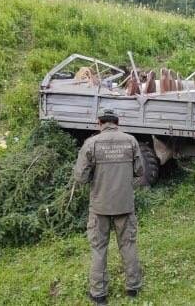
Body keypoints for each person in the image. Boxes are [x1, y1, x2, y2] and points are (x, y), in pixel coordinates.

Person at [74, 108, 143, 305]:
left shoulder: (91, 144)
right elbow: (139, 171)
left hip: (99, 207)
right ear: (117, 122)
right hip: (124, 204)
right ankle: (133, 288)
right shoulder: (131, 141)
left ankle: (99, 294)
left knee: (99, 248)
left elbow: (80, 178)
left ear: (99, 123)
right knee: (128, 245)